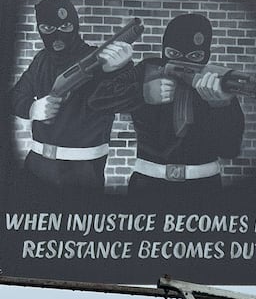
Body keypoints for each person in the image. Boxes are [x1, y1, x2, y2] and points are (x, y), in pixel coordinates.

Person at [89, 13, 244, 195]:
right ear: (164, 49)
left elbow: (230, 150)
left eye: (195, 56)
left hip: (203, 186)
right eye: (173, 54)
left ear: (206, 55)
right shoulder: (147, 69)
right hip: (147, 184)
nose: (183, 62)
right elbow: (97, 101)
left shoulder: (218, 83)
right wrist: (141, 92)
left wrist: (221, 107)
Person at [11, 0, 134, 191]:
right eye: (47, 29)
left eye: (65, 27)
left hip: (83, 170)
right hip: (37, 164)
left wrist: (120, 69)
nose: (57, 36)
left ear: (75, 26)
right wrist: (33, 108)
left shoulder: (99, 60)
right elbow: (14, 96)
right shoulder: (41, 59)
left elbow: (125, 100)